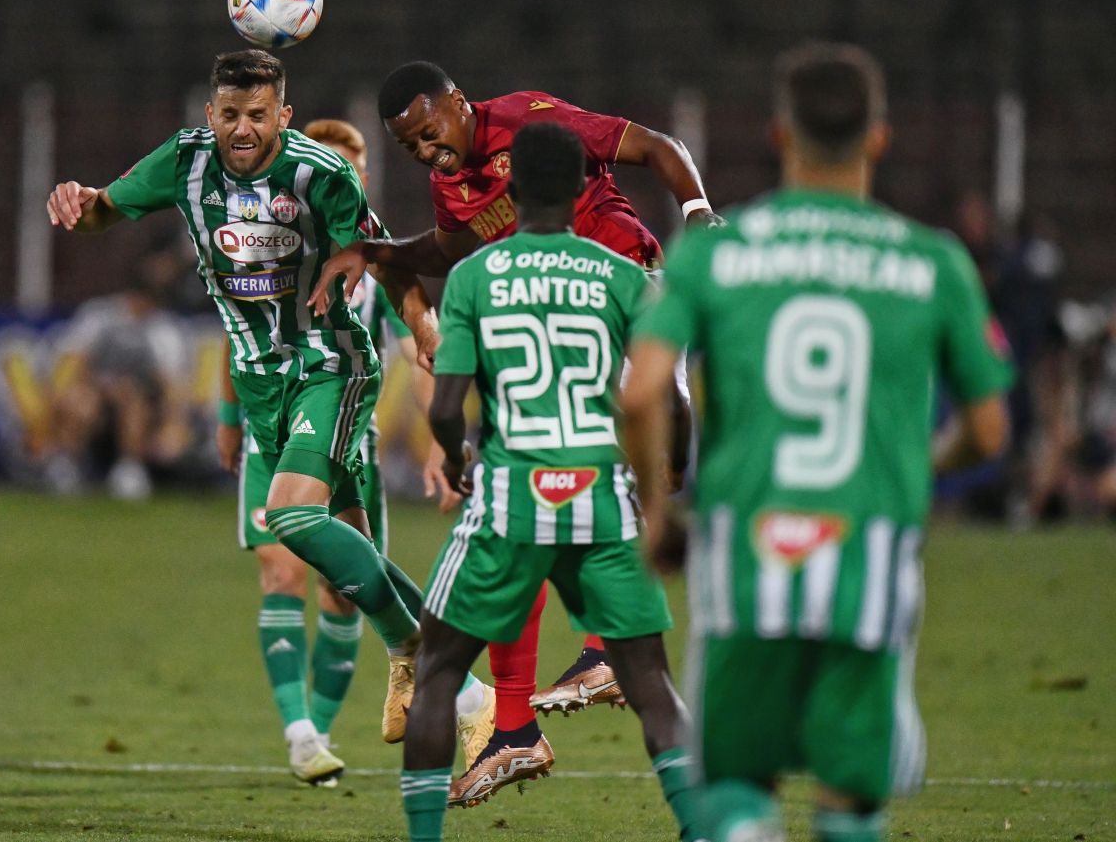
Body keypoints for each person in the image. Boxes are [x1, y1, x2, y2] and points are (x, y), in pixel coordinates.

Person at [622, 42, 1013, 842]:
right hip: (868, 555)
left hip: (744, 552)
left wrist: (660, 513)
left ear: (779, 135)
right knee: (850, 799)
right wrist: (920, 470)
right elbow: (989, 430)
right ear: (879, 138)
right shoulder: (933, 262)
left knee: (735, 782)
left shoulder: (718, 253)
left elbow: (639, 390)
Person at [47, 49, 446, 784]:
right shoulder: (186, 162)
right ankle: (416, 667)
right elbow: (106, 207)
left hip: (329, 371)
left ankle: (402, 649)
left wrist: (423, 328)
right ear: (210, 115)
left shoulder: (318, 176)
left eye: (257, 115)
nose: (241, 128)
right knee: (310, 564)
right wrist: (78, 201)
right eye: (230, 113)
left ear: (282, 116)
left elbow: (386, 260)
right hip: (262, 389)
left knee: (298, 534)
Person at [311, 60, 713, 768]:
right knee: (529, 501)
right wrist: (376, 253)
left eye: (429, 130)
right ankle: (521, 720)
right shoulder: (450, 184)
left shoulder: (530, 119)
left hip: (626, 283)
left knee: (614, 438)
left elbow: (655, 147)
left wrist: (698, 212)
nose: (426, 150)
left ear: (458, 104)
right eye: (410, 146)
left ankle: (594, 660)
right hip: (560, 318)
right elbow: (450, 249)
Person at [399, 123, 701, 842]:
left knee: (437, 671)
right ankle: (704, 827)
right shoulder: (624, 277)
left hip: (512, 498)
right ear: (578, 190)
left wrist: (458, 457)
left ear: (509, 191)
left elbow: (446, 406)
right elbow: (673, 400)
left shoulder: (475, 276)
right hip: (603, 499)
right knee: (652, 683)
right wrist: (675, 469)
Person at [212, 117, 494, 784]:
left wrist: (436, 441)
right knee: (282, 572)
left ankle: (450, 686)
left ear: (356, 179)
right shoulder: (264, 245)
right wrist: (229, 418)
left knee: (350, 586)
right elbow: (237, 329)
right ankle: (302, 735)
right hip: (269, 437)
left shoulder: (375, 264)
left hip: (347, 442)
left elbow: (422, 352)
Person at [42, 248, 193, 499]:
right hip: (96, 394)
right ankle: (66, 465)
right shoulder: (100, 316)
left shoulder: (162, 328)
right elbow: (74, 361)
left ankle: (130, 469)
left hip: (141, 403)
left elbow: (170, 383)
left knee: (132, 399)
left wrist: (173, 424)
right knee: (80, 401)